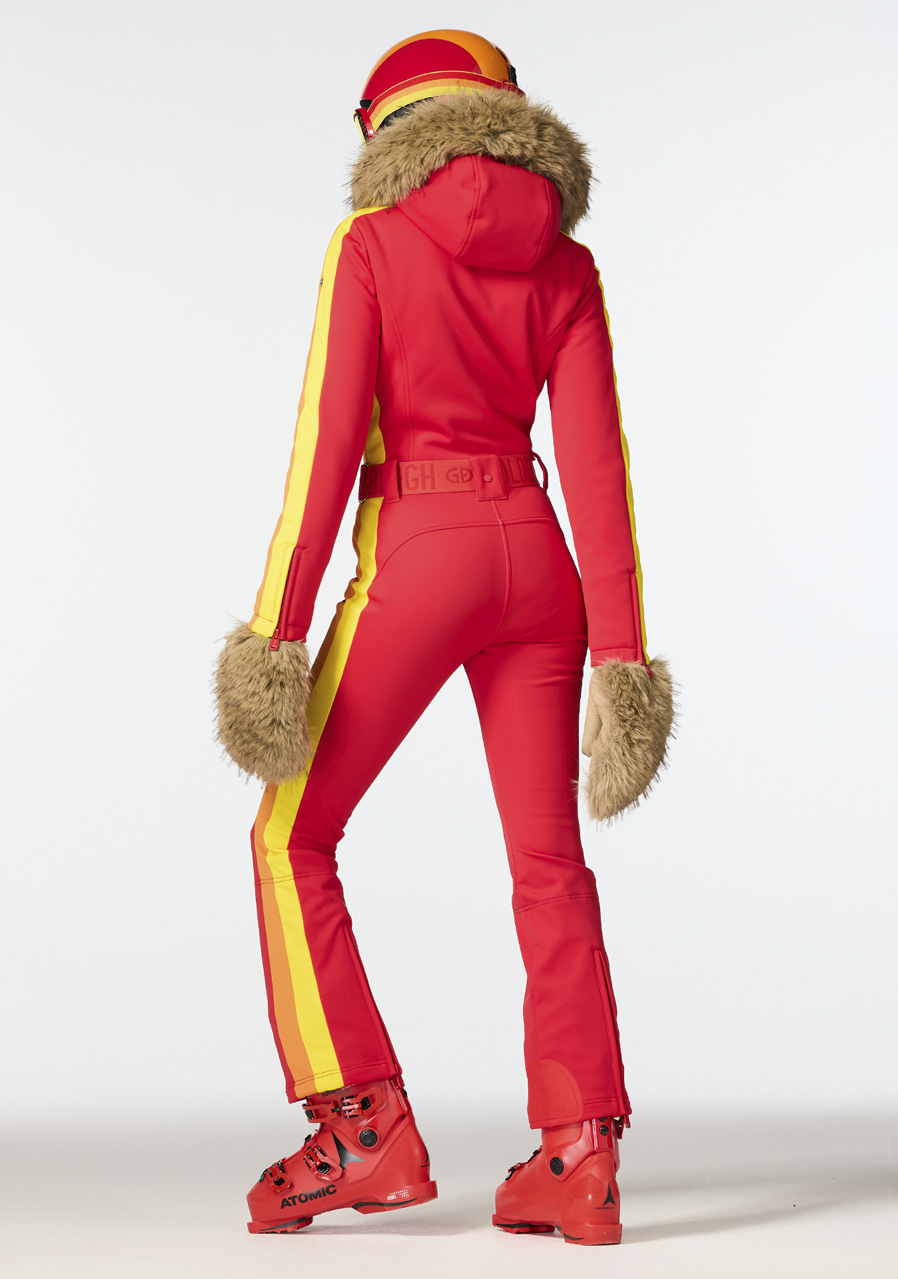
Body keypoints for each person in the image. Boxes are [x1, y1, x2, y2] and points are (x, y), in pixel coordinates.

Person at [215, 28, 674, 1247]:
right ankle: (579, 1155)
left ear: (385, 131)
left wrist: (275, 636)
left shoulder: (371, 242)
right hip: (539, 558)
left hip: (421, 548)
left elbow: (324, 449)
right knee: (548, 862)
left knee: (289, 834)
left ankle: (360, 1124)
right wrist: (623, 657)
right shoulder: (566, 262)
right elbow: (598, 468)